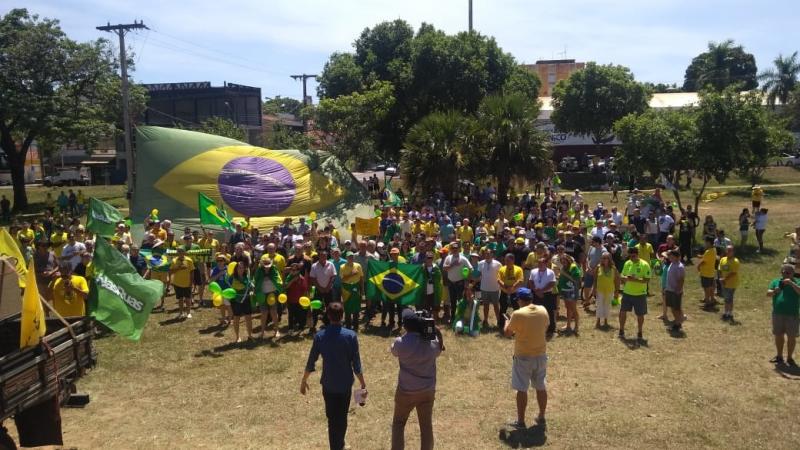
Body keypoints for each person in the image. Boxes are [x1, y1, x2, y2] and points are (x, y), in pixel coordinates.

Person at [302, 302, 366, 450]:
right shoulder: (350, 336)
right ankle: (340, 444)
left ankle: (337, 446)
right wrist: (362, 383)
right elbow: (356, 363)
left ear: (328, 316)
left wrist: (303, 381)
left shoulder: (320, 336)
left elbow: (311, 361)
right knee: (342, 417)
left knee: (332, 419)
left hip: (328, 384)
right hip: (344, 385)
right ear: (342, 315)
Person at [390, 309, 444, 450]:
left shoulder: (400, 343)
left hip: (406, 391)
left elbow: (393, 351)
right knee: (426, 426)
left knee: (398, 423)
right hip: (427, 390)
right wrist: (436, 331)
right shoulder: (431, 343)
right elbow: (440, 348)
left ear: (404, 325)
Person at [504, 287, 549, 429]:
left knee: (522, 389)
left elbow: (507, 333)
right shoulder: (543, 310)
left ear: (519, 300)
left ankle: (521, 421)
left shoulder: (517, 314)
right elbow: (545, 327)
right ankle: (541, 416)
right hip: (540, 354)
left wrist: (507, 321)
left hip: (523, 356)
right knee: (541, 386)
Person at [768, 265, 800, 366]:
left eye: (788, 273)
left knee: (791, 337)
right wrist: (773, 291)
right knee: (778, 335)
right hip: (778, 313)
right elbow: (768, 293)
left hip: (792, 314)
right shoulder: (775, 282)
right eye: (783, 272)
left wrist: (791, 283)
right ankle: (779, 356)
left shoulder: (797, 281)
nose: (785, 274)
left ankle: (790, 358)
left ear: (792, 273)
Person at [619, 247, 651, 343]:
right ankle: (621, 330)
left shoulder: (644, 264)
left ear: (637, 254)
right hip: (627, 292)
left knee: (640, 314)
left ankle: (640, 331)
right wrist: (625, 278)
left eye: (634, 256)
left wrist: (635, 279)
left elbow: (647, 279)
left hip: (640, 294)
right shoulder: (627, 263)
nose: (632, 258)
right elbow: (622, 275)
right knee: (622, 312)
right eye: (630, 256)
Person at [443, 242, 472, 323]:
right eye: (453, 248)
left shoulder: (463, 258)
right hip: (451, 283)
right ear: (451, 250)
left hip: (460, 283)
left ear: (459, 249)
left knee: (460, 301)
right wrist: (452, 264)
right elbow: (444, 268)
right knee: (452, 301)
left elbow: (470, 269)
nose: (455, 250)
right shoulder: (448, 258)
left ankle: (461, 317)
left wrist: (467, 282)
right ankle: (453, 318)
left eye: (456, 248)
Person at [529, 257, 557, 336]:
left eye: (542, 263)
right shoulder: (533, 271)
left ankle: (551, 330)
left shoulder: (550, 272)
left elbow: (552, 283)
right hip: (535, 294)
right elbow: (530, 281)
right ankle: (536, 328)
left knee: (549, 311)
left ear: (546, 264)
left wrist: (541, 291)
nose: (540, 265)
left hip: (547, 294)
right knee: (535, 311)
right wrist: (535, 290)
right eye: (539, 263)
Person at [591, 252, 620, 329]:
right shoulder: (598, 267)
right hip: (600, 290)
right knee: (599, 305)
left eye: (606, 258)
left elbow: (617, 280)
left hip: (610, 290)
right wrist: (594, 289)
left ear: (609, 259)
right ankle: (598, 321)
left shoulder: (614, 268)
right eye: (603, 258)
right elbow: (595, 279)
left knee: (607, 305)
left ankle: (606, 321)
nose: (604, 260)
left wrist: (617, 291)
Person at [497, 254, 524, 331]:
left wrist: (512, 288)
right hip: (504, 292)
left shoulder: (518, 269)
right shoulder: (502, 269)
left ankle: (518, 324)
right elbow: (498, 280)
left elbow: (520, 280)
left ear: (513, 260)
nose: (506, 262)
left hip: (515, 292)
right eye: (505, 260)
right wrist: (506, 287)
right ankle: (501, 324)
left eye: (508, 260)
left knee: (516, 308)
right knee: (503, 308)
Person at [229, 261, 254, 343]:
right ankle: (237, 337)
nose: (241, 269)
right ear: (236, 268)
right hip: (236, 301)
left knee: (248, 318)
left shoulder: (247, 276)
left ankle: (250, 335)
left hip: (246, 299)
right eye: (239, 267)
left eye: (242, 267)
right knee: (236, 318)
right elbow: (228, 289)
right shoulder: (232, 277)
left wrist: (251, 291)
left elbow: (250, 287)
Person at [478, 249, 502, 328]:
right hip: (484, 288)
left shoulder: (498, 264)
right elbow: (480, 275)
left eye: (489, 253)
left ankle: (499, 321)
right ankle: (485, 320)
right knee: (485, 305)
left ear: (492, 254)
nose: (487, 255)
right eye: (486, 253)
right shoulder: (480, 263)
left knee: (496, 305)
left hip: (495, 288)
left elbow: (501, 275)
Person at [170, 247, 195, 319]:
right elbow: (171, 271)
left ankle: (188, 313)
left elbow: (192, 272)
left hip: (187, 283)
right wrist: (178, 268)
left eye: (181, 251)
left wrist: (191, 282)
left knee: (188, 298)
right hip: (177, 283)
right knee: (180, 299)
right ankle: (181, 312)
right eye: (179, 252)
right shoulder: (174, 260)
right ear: (177, 253)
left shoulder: (189, 260)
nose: (180, 253)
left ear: (184, 252)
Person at [664, 250, 685, 332]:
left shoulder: (680, 266)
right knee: (672, 307)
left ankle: (678, 323)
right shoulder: (672, 264)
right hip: (669, 289)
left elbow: (681, 279)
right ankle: (677, 322)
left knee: (676, 308)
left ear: (677, 257)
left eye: (672, 256)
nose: (670, 258)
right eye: (669, 256)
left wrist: (678, 289)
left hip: (675, 291)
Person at [718, 245, 740, 322]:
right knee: (726, 298)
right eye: (727, 250)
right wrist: (721, 279)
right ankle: (726, 312)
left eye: (730, 250)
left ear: (733, 252)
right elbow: (720, 270)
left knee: (729, 298)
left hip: (731, 283)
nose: (728, 252)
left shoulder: (735, 261)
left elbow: (733, 273)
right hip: (724, 283)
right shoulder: (723, 259)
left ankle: (729, 313)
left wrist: (724, 279)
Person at [698, 236, 717, 308]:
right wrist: (702, 256)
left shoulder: (708, 251)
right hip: (711, 272)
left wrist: (698, 266)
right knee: (711, 287)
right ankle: (711, 299)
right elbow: (707, 258)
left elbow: (704, 262)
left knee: (706, 288)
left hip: (706, 273)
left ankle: (707, 303)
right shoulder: (713, 250)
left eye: (705, 242)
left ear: (708, 242)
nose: (704, 243)